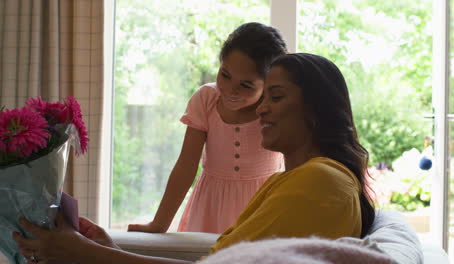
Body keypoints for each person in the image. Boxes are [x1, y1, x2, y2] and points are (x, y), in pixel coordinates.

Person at [13, 53, 375, 264]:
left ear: (315, 109)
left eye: (275, 97)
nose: (261, 109)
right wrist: (103, 248)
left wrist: (89, 255)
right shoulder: (298, 180)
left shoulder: (321, 182)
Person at [129, 22, 287, 234]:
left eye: (246, 85)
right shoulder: (206, 99)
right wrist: (159, 224)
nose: (230, 90)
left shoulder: (277, 109)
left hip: (262, 205)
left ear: (267, 84)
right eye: (225, 75)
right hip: (211, 206)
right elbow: (186, 165)